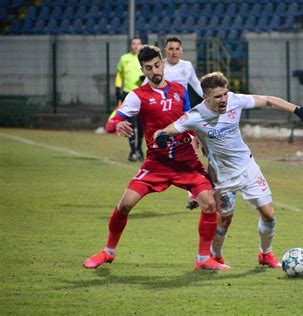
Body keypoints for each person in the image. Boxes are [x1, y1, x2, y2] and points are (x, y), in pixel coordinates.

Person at [153, 72, 303, 267]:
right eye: (218, 96)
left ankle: (265, 254)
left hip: (248, 169)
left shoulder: (235, 100)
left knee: (268, 215)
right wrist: (161, 136)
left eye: (225, 94)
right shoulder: (195, 116)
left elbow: (268, 100)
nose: (224, 99)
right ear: (206, 97)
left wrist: (298, 109)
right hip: (222, 177)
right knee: (224, 221)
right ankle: (216, 256)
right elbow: (166, 130)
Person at [83, 46, 229, 271]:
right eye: (148, 68)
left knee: (209, 204)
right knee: (124, 205)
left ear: (162, 63)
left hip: (185, 161)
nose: (154, 71)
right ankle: (108, 252)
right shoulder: (137, 96)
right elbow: (111, 123)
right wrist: (118, 123)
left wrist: (194, 137)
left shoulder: (180, 90)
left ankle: (203, 259)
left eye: (157, 65)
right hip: (156, 163)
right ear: (143, 69)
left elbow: (189, 118)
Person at [144, 36, 204, 210]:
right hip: (163, 117)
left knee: (190, 149)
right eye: (171, 48)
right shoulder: (159, 66)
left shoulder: (187, 66)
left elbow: (197, 86)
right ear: (165, 51)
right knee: (165, 154)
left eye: (177, 48)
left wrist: (212, 100)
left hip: (183, 115)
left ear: (182, 50)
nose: (174, 52)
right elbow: (145, 86)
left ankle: (193, 194)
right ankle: (154, 180)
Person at [115, 36, 145, 162]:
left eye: (138, 43)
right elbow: (119, 75)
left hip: (142, 94)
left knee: (142, 124)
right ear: (130, 45)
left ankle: (139, 148)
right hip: (128, 94)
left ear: (141, 45)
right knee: (130, 124)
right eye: (133, 43)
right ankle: (133, 150)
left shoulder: (144, 59)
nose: (136, 46)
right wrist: (117, 88)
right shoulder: (124, 58)